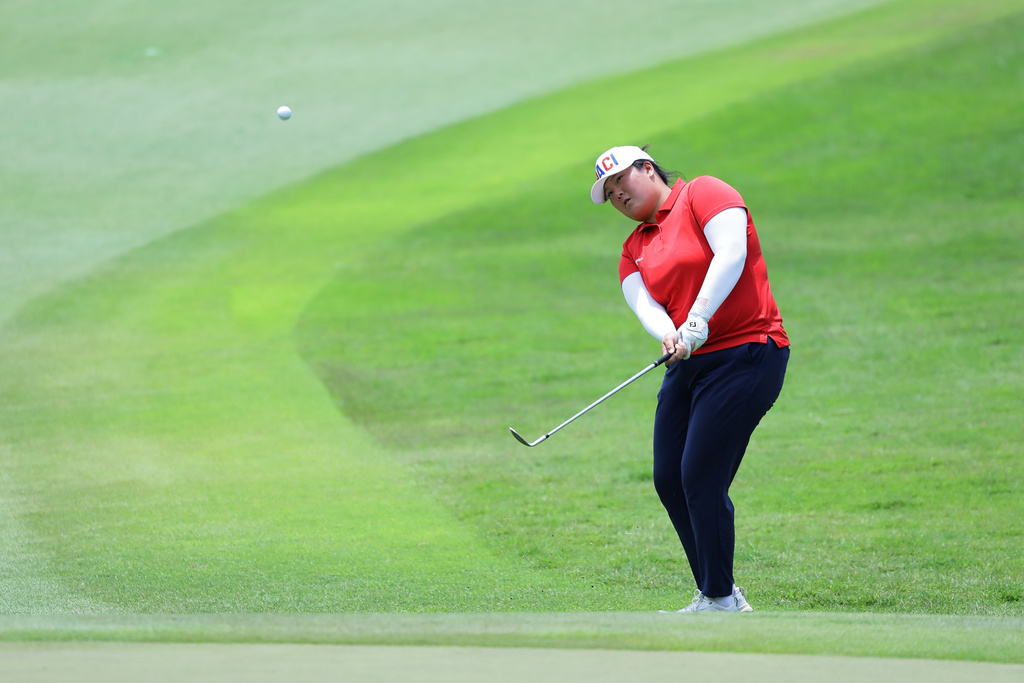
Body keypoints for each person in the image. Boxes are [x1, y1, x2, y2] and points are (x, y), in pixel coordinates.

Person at [591, 145, 790, 613]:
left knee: (700, 474)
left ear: (647, 168)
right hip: (687, 363)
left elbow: (731, 253)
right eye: (611, 193)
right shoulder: (632, 249)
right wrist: (670, 334)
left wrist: (698, 319)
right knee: (669, 478)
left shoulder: (704, 193)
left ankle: (719, 598)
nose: (619, 194)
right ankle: (716, 592)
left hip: (747, 350)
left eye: (623, 180)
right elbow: (646, 306)